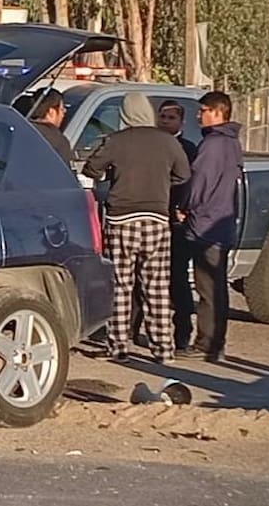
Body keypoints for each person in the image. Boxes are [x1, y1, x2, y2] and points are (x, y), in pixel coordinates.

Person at [82, 93, 191, 363]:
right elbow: (184, 174)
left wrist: (111, 175)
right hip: (157, 219)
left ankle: (118, 348)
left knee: (120, 285)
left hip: (121, 220)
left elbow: (91, 168)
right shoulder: (167, 142)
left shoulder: (116, 141)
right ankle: (164, 350)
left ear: (125, 114)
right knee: (156, 286)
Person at [177, 91, 243, 361]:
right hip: (221, 222)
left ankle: (208, 343)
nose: (198, 115)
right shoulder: (232, 143)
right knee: (216, 288)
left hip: (206, 224)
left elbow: (200, 181)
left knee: (208, 289)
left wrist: (185, 205)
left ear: (218, 112)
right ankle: (215, 343)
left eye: (203, 110)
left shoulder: (213, 145)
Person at [157, 100, 199, 350]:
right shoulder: (151, 146)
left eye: (171, 118)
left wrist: (182, 209)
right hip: (154, 216)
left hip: (176, 221)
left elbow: (189, 182)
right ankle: (133, 328)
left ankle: (182, 333)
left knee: (178, 279)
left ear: (181, 122)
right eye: (162, 116)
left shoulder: (188, 149)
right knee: (145, 277)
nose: (165, 121)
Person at [24, 88, 76, 167]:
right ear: (51, 112)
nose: (64, 113)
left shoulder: (21, 130)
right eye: (62, 109)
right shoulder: (58, 141)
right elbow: (65, 175)